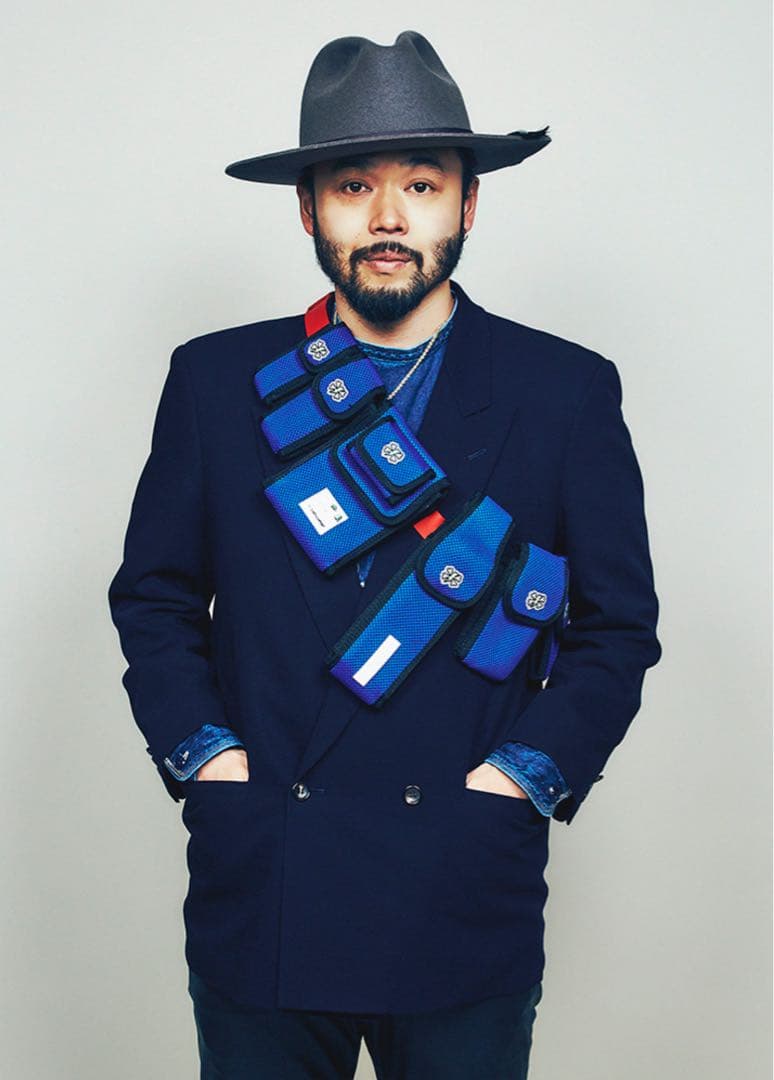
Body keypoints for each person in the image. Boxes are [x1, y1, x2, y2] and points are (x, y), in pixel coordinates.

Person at [108, 29, 662, 1079]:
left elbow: (618, 629)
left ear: (469, 203)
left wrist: (518, 781)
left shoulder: (563, 390)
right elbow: (156, 599)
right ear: (309, 209)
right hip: (269, 879)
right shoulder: (218, 383)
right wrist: (212, 766)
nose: (390, 218)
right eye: (355, 186)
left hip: (461, 884)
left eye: (422, 184)